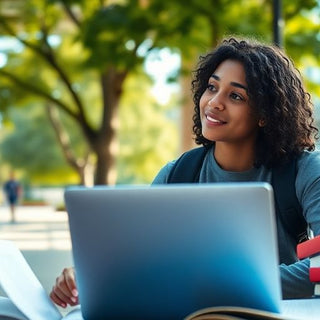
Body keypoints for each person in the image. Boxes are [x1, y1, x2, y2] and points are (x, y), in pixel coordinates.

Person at [49, 37, 320, 307]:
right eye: (212, 87)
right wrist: (83, 278)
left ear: (265, 114)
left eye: (236, 96)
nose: (214, 102)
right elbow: (136, 258)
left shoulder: (305, 170)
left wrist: (225, 286)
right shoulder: (176, 175)